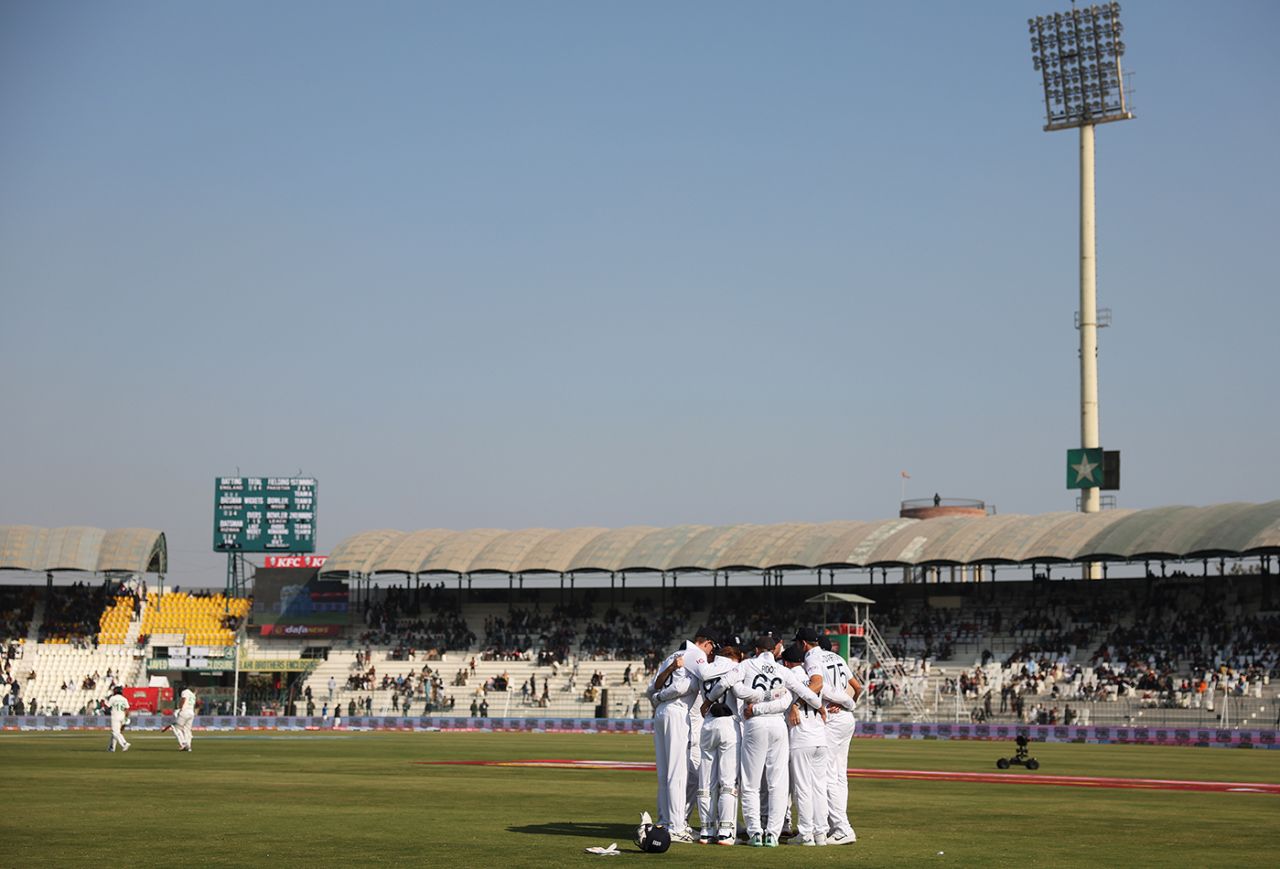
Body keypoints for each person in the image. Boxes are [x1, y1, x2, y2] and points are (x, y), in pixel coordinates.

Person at [711, 635, 823, 847]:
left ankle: (755, 833)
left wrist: (708, 700)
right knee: (777, 783)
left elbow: (725, 683)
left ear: (756, 650)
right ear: (774, 651)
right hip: (777, 725)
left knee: (751, 784)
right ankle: (772, 834)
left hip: (755, 724)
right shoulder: (783, 670)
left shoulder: (746, 665)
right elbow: (807, 694)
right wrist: (819, 706)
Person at [647, 628, 715, 844]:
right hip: (677, 711)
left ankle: (664, 821)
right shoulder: (696, 654)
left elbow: (652, 687)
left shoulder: (671, 656)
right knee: (677, 772)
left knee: (664, 771)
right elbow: (690, 683)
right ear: (707, 643)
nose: (711, 653)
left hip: (661, 713)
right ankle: (676, 827)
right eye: (712, 648)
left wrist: (659, 697)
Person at [693, 638, 744, 845]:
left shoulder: (705, 669)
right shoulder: (734, 667)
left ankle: (706, 831)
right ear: (734, 657)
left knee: (705, 783)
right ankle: (725, 832)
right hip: (728, 723)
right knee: (728, 782)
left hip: (707, 724)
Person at [171, 684, 197, 752]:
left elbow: (183, 700)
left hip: (185, 712)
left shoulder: (185, 692)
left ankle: (183, 744)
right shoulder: (192, 694)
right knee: (187, 730)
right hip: (191, 712)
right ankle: (188, 746)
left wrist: (179, 708)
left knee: (176, 728)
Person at [106, 687, 131, 753]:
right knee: (116, 733)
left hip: (115, 716)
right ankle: (112, 748)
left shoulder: (113, 698)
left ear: (115, 691)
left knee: (115, 732)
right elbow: (127, 709)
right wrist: (126, 718)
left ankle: (124, 743)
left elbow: (108, 706)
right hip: (122, 716)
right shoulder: (124, 699)